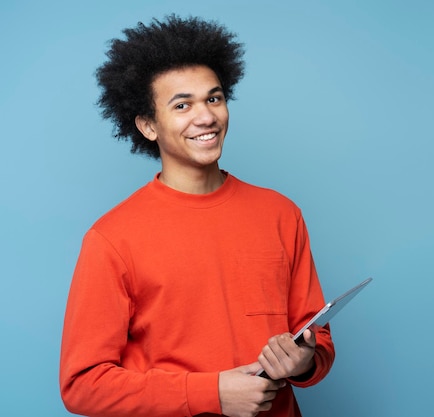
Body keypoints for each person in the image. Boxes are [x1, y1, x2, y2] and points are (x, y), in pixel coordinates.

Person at [59, 15, 335, 417]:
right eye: (182, 105)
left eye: (214, 98)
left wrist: (305, 360)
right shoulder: (112, 238)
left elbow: (317, 337)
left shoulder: (281, 214)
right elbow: (82, 385)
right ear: (148, 125)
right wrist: (212, 393)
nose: (205, 117)